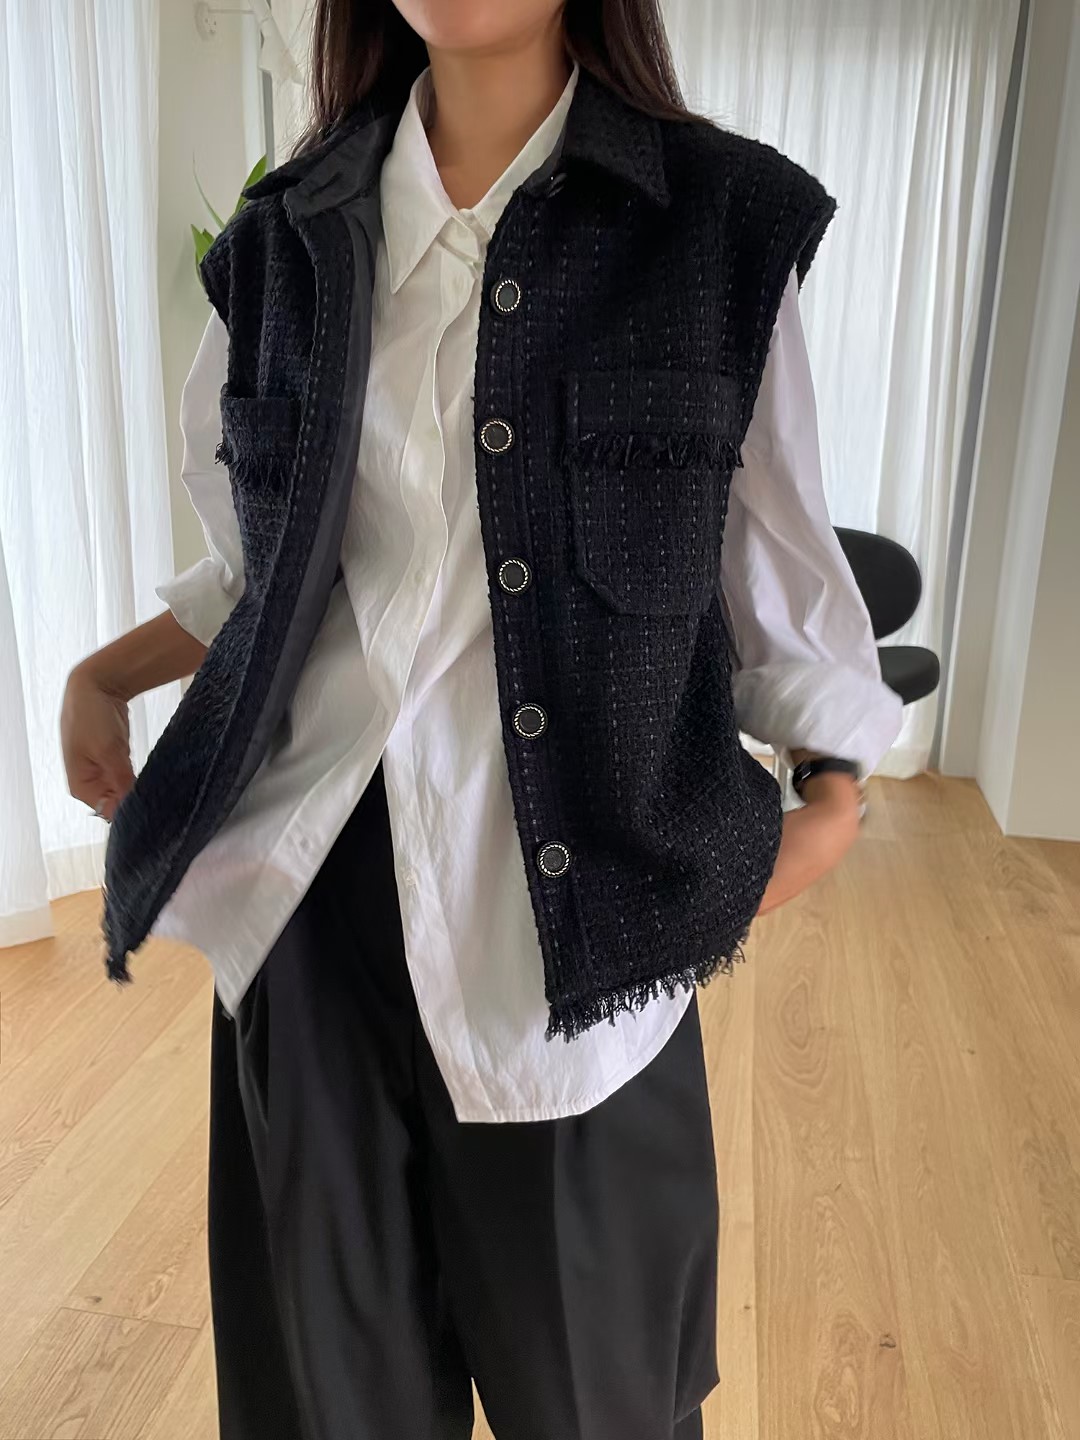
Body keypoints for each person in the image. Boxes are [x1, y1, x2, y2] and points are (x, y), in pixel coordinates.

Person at [61, 1, 903, 1436]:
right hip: (309, 934)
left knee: (601, 1406)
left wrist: (827, 806)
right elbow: (273, 567)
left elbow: (777, 573)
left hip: (572, 951)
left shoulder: (713, 224)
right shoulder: (281, 240)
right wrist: (106, 673)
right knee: (329, 1413)